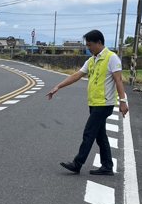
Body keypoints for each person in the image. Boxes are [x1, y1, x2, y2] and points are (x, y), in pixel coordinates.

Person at [46, 29, 128, 175]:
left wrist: (123, 101)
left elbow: (118, 80)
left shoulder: (111, 58)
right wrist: (58, 86)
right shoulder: (92, 60)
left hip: (104, 104)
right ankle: (107, 166)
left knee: (89, 133)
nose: (88, 48)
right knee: (100, 136)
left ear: (99, 43)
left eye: (90, 45)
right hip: (94, 103)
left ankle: (77, 164)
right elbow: (77, 75)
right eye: (87, 45)